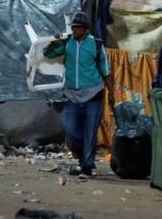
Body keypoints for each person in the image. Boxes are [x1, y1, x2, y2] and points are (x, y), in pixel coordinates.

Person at [44, 11, 114, 179]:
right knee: (71, 131)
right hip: (72, 96)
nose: (73, 30)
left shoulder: (96, 45)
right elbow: (48, 54)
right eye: (72, 27)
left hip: (93, 95)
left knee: (90, 133)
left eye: (76, 28)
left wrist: (112, 94)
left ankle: (86, 168)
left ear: (85, 29)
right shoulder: (67, 43)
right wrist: (54, 41)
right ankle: (83, 156)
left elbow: (106, 72)